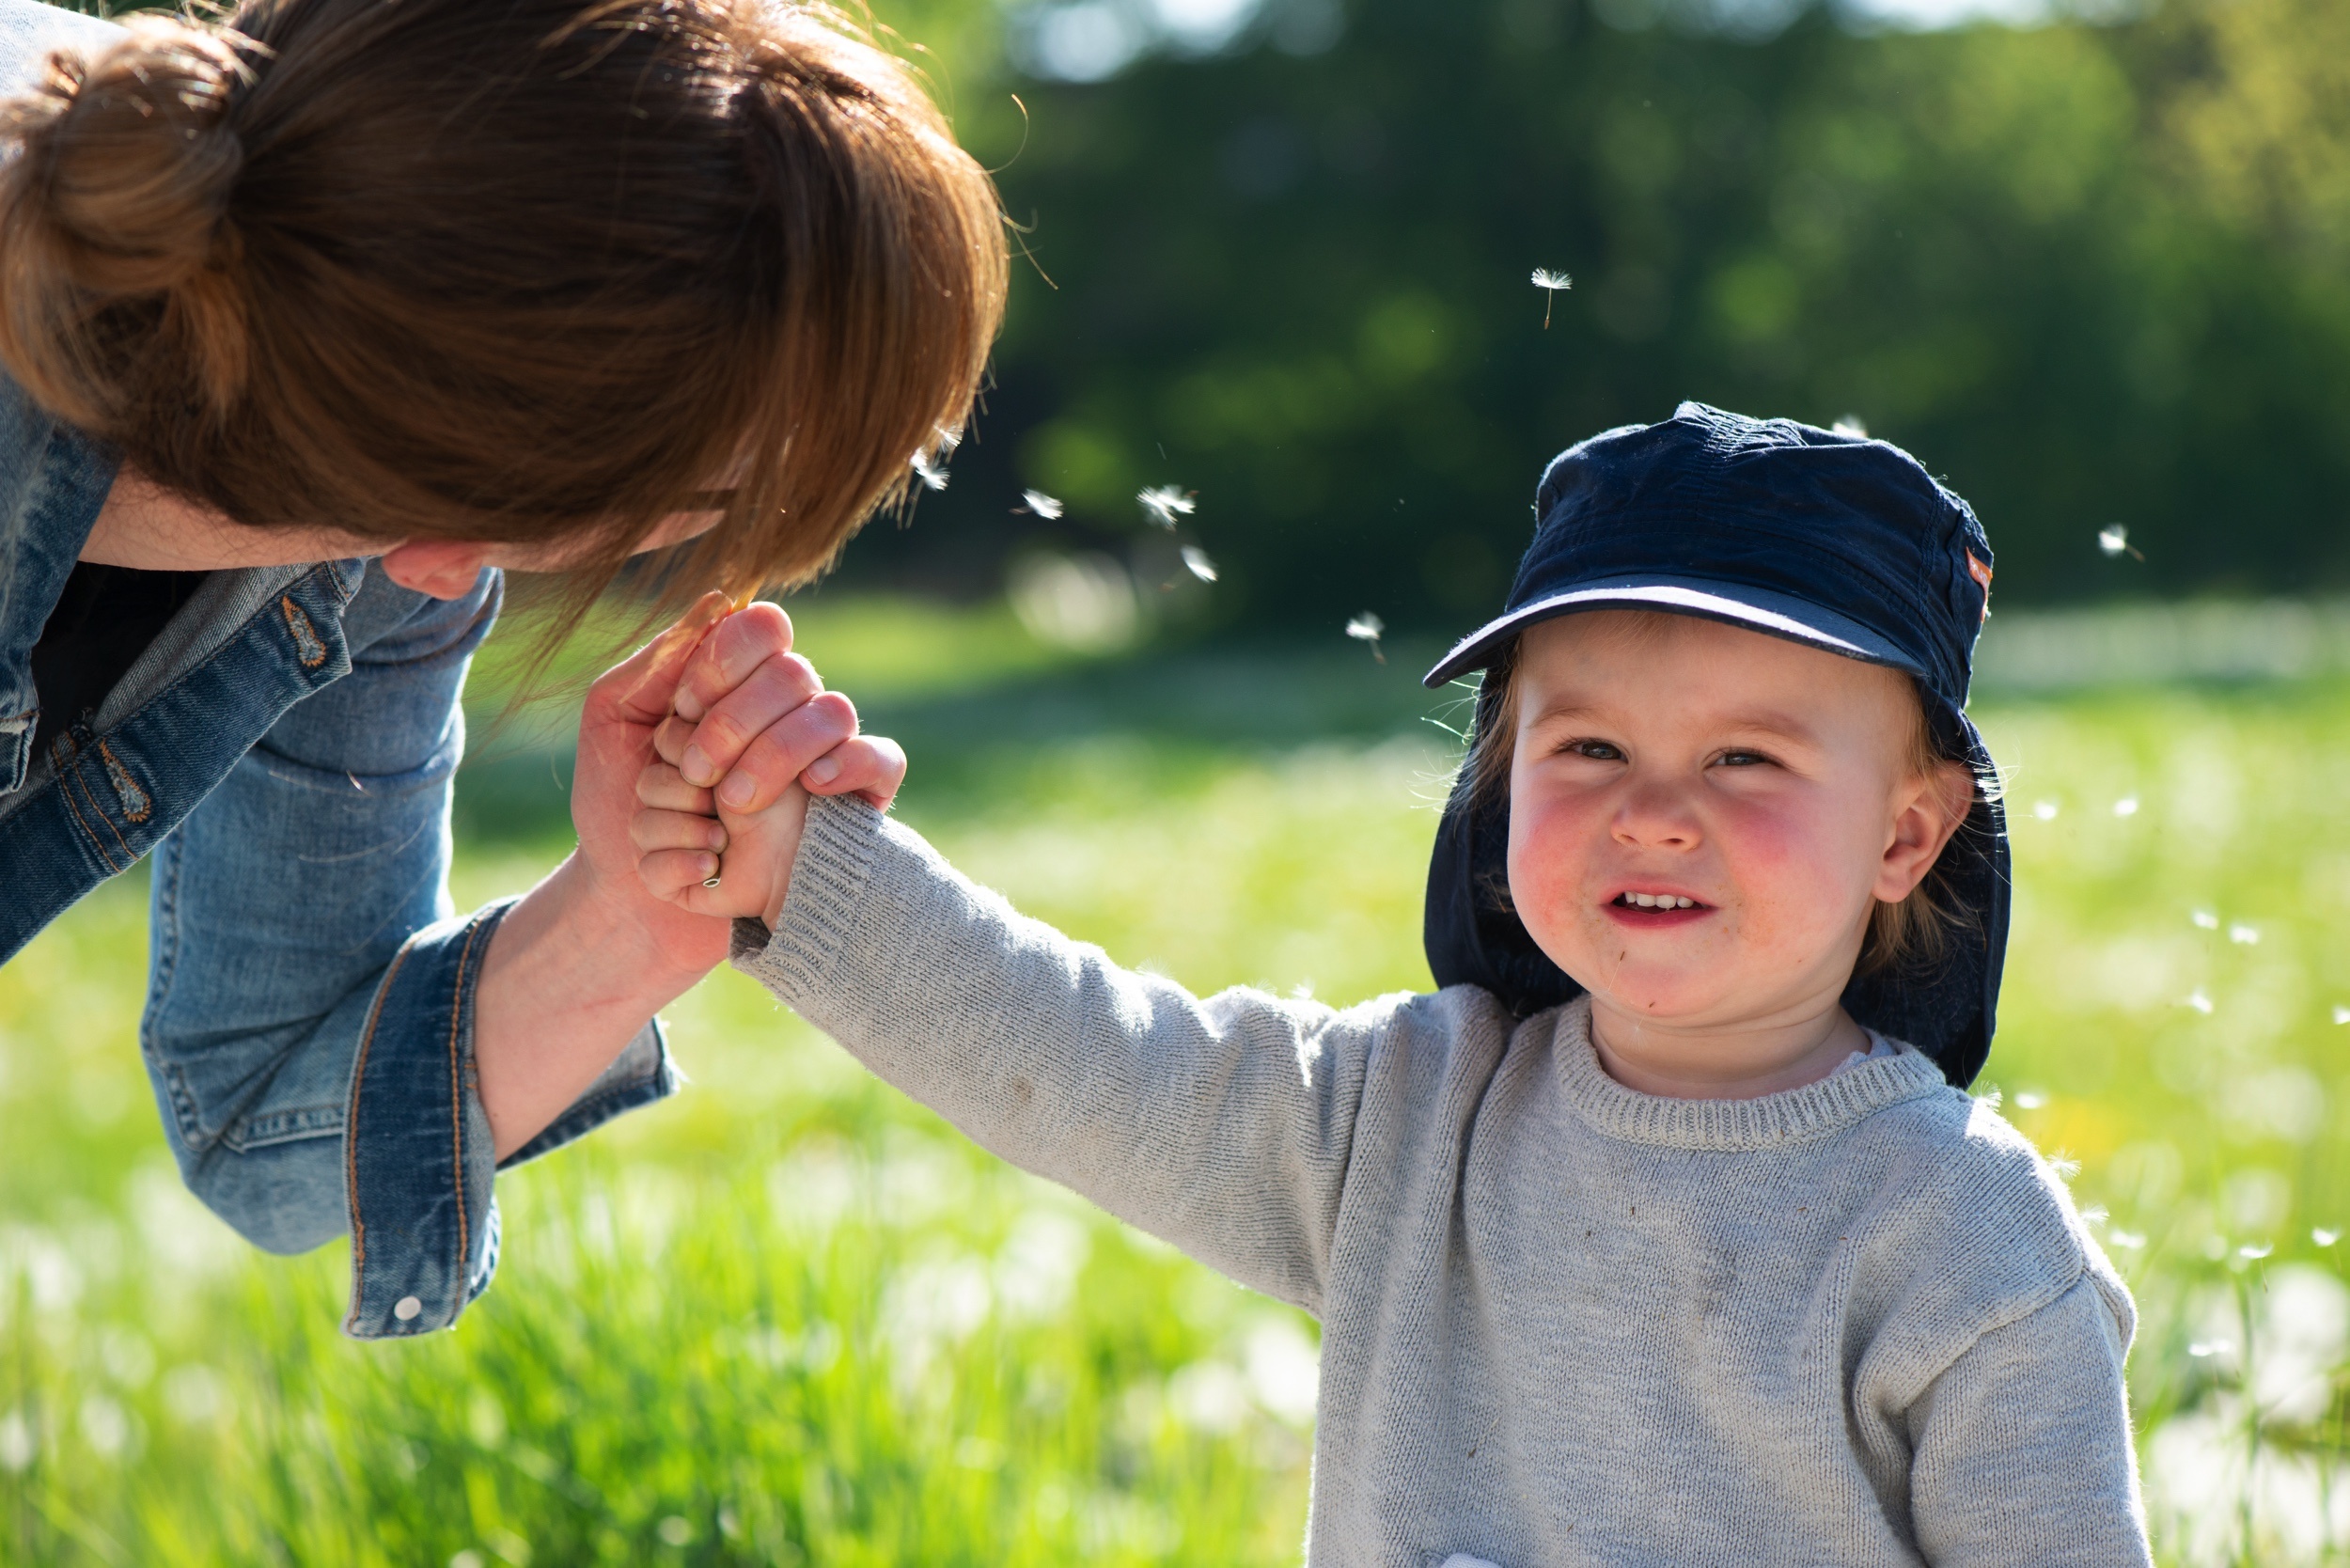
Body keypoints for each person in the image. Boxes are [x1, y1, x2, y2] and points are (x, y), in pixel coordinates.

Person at [628, 404, 2151, 1565]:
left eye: (1746, 758)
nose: (1654, 809)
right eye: (1588, 749)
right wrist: (801, 868)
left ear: (1905, 831)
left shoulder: (1961, 1243)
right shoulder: (1409, 1121)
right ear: (1499, 786)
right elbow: (1084, 1059)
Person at [0, 0, 1003, 1337]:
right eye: (723, 496)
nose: (710, 538)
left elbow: (270, 1139)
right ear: (478, 512)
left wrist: (638, 910)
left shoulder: (357, 567)